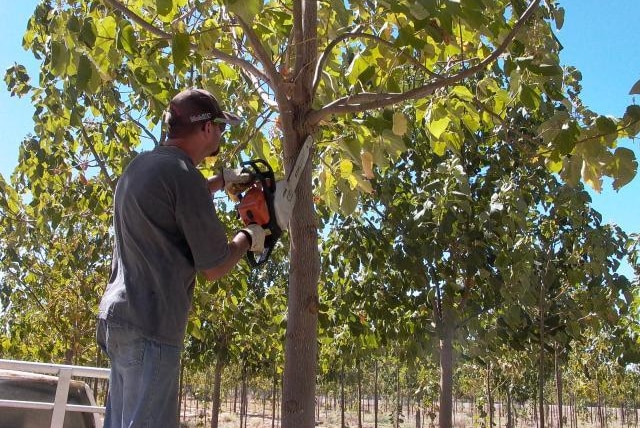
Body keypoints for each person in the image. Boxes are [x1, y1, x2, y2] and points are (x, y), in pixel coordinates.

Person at [96, 88, 266, 428]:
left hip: (119, 317)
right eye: (220, 126)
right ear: (206, 129)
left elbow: (171, 198)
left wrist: (220, 183)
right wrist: (249, 237)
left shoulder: (142, 167)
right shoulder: (183, 175)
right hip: (153, 323)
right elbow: (215, 265)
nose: (221, 133)